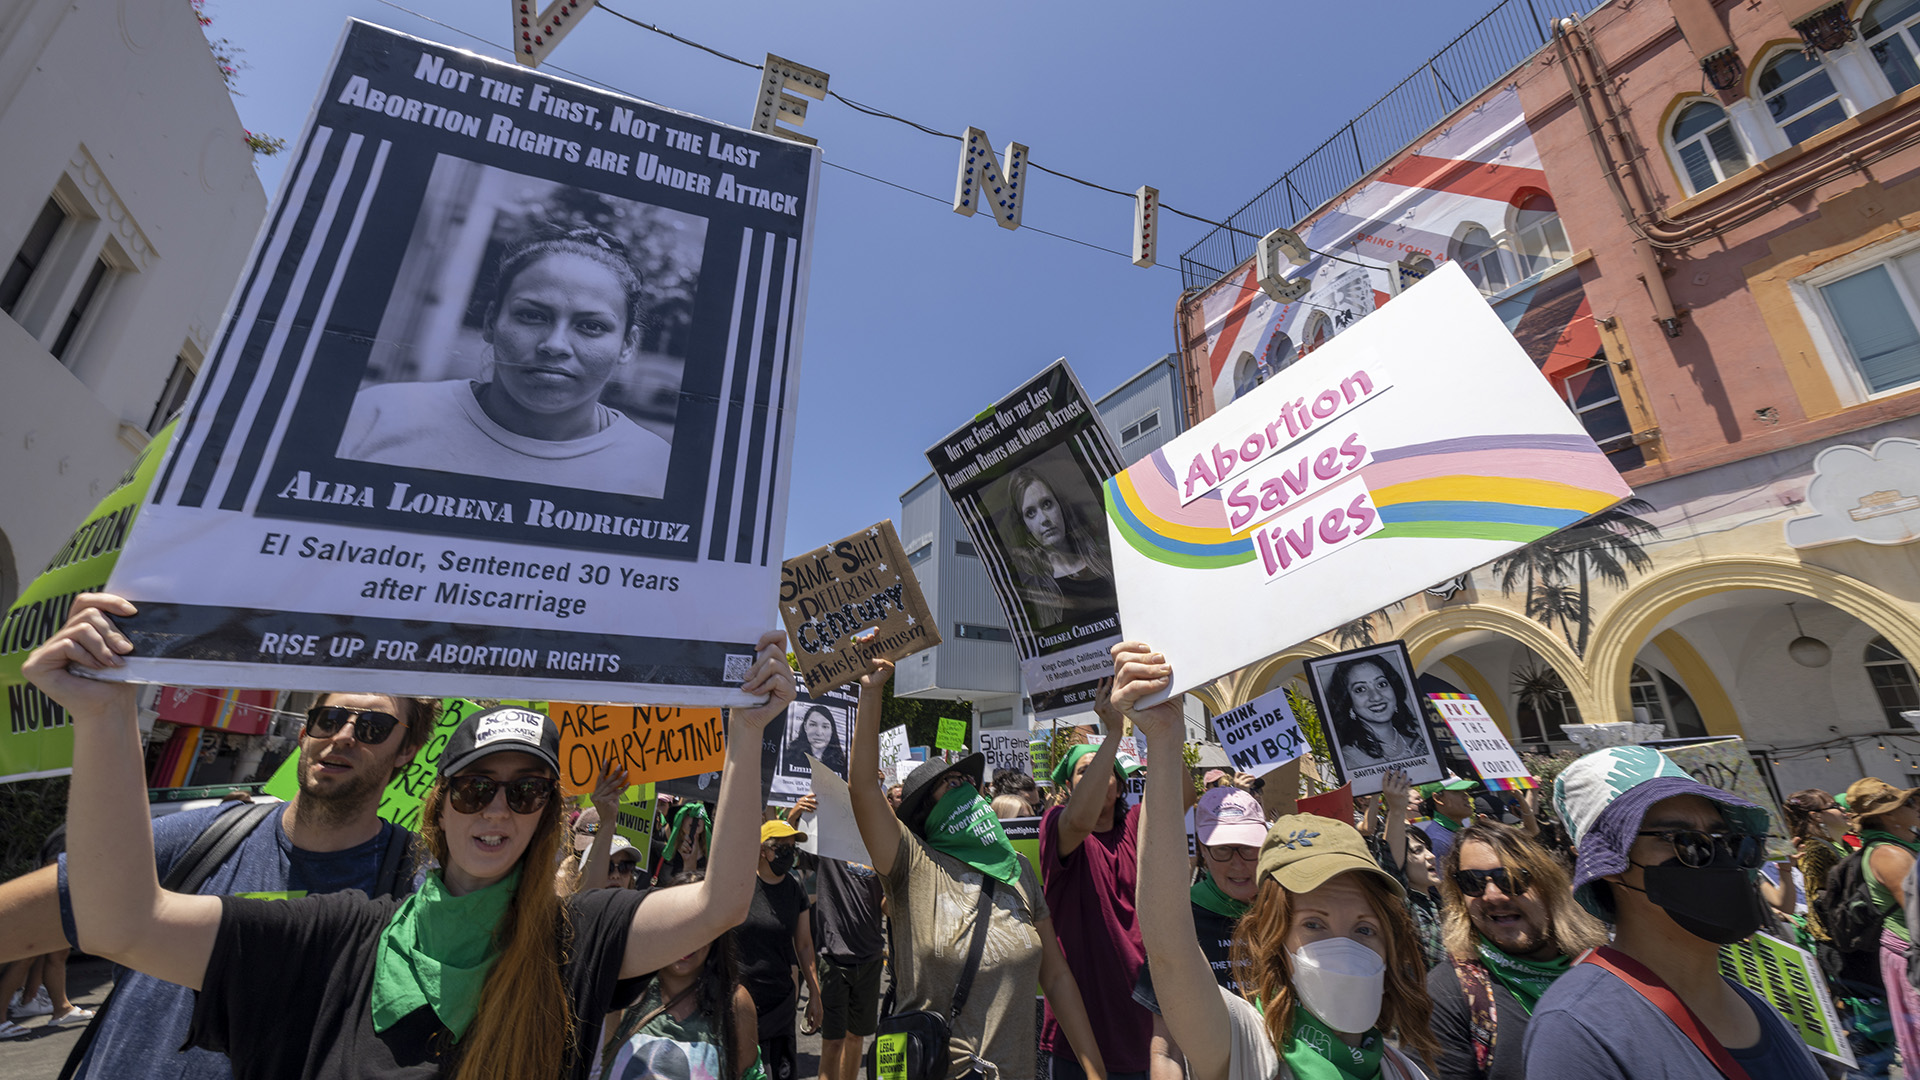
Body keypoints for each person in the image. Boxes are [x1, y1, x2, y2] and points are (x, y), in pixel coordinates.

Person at [28, 591, 793, 1080]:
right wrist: (104, 719)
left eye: (525, 792)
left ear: (545, 816)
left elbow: (722, 901)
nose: (496, 810)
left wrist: (748, 735)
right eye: (473, 788)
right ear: (437, 806)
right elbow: (121, 923)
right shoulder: (339, 935)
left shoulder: (578, 939)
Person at [0, 677, 434, 1075]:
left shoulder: (418, 886)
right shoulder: (193, 839)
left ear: (407, 750)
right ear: (304, 733)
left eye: (374, 727)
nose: (343, 736)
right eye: (330, 719)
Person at [1118, 641, 1438, 1080]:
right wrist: (1165, 739)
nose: (1341, 947)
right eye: (1314, 924)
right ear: (1274, 941)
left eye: (1365, 928)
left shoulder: (1405, 1071)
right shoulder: (1248, 1048)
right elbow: (1171, 951)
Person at [848, 658, 1107, 1080]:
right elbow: (861, 789)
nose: (967, 788)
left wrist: (1095, 1072)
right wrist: (872, 691)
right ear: (924, 815)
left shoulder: (1018, 870)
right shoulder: (912, 866)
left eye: (969, 782)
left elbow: (1056, 976)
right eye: (951, 786)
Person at [1521, 745, 1822, 1080]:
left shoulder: (1759, 1007)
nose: (1719, 858)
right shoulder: (1577, 1031)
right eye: (1682, 840)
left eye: (1726, 839)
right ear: (1610, 863)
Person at [339, 224, 670, 498]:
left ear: (628, 345)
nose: (554, 345)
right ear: (489, 323)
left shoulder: (658, 472)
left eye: (592, 326)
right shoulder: (377, 417)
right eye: (531, 316)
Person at [1426, 823, 1606, 1080]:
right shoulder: (1449, 994)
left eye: (1510, 879)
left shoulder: (1604, 966)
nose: (1491, 895)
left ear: (1548, 886)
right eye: (1472, 882)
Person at [1042, 695, 1150, 1080]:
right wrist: (1112, 735)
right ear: (1068, 787)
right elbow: (1079, 821)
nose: (1092, 776)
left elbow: (1181, 796)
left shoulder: (1136, 825)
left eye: (1101, 770)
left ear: (1119, 786)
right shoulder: (1056, 825)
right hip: (1079, 1041)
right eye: (1081, 772)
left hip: (1143, 1030)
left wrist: (1160, 716)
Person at [597, 871, 758, 1080]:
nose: (686, 939)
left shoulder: (734, 1004)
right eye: (677, 924)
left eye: (699, 926)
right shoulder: (621, 990)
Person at [1844, 777, 1920, 1069]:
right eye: (1909, 803)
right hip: (1910, 956)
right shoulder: (1890, 854)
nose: (1916, 807)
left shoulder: (1902, 846)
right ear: (1888, 814)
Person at [736, 818, 820, 1080]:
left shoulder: (795, 889)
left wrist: (815, 994)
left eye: (792, 849)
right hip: (740, 1003)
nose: (789, 855)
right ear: (763, 850)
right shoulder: (740, 886)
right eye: (782, 849)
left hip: (780, 1003)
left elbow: (804, 945)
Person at [1001, 467, 1113, 629]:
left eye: (1047, 504)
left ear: (1060, 506)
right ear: (1025, 526)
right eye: (1030, 513)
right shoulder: (1035, 589)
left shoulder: (1104, 558)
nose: (1044, 519)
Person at [809, 842, 885, 1080]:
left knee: (855, 1038)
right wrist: (796, 814)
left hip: (870, 957)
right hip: (835, 959)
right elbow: (796, 846)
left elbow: (886, 905)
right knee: (832, 1041)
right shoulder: (828, 847)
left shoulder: (878, 844)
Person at [1324, 655, 1426, 768]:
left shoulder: (1420, 741)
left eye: (1381, 684)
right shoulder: (1350, 759)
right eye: (1360, 689)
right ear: (1348, 701)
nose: (1376, 697)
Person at [781, 703, 848, 782]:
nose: (819, 732)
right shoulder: (789, 757)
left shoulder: (841, 764)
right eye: (813, 725)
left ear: (832, 730)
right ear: (805, 727)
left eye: (825, 726)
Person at [1417, 779, 1478, 862]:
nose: (1466, 796)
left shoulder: (1458, 831)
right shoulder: (1437, 842)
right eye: (1456, 791)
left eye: (1464, 791)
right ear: (1438, 798)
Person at [658, 801, 711, 884]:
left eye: (701, 813)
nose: (696, 818)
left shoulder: (712, 855)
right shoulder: (664, 852)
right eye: (689, 813)